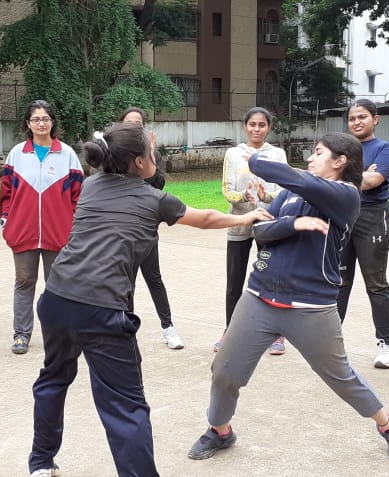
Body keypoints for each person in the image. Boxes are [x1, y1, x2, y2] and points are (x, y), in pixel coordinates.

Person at [29, 122, 271, 477]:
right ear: (139, 162)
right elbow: (203, 218)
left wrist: (139, 147)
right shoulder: (153, 200)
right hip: (102, 311)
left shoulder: (92, 185)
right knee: (125, 407)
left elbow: (128, 183)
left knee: (53, 379)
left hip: (57, 299)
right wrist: (248, 215)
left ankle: (39, 464)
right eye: (151, 151)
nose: (156, 155)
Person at [188, 132, 389, 465]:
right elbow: (260, 231)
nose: (310, 158)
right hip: (259, 297)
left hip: (311, 306)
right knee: (224, 370)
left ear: (340, 162)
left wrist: (255, 160)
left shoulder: (346, 195)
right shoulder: (293, 197)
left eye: (318, 153)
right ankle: (219, 431)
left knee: (341, 377)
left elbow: (294, 178)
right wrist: (295, 223)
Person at [0, 99, 83, 355]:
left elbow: (79, 197)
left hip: (59, 235)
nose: (41, 123)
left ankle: (59, 334)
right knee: (24, 281)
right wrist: (7, 223)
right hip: (23, 233)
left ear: (53, 122)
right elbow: (5, 194)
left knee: (58, 285)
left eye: (45, 119)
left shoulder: (67, 154)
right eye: (36, 119)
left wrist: (74, 229)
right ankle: (21, 334)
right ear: (28, 124)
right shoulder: (17, 154)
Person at [337, 99, 389, 369]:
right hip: (340, 215)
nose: (356, 122)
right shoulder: (339, 148)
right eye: (352, 118)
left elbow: (373, 182)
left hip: (372, 216)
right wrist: (360, 176)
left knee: (375, 283)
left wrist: (345, 177)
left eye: (362, 117)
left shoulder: (384, 149)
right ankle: (330, 341)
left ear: (376, 119)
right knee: (337, 281)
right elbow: (324, 176)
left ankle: (387, 344)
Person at [219, 107, 288, 354]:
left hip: (269, 222)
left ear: (269, 127)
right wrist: (243, 196)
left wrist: (264, 195)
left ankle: (277, 335)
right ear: (244, 126)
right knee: (234, 280)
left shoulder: (278, 155)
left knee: (272, 278)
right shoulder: (233, 153)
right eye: (252, 125)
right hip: (239, 222)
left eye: (261, 125)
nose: (256, 129)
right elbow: (226, 190)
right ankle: (230, 330)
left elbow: (284, 189)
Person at [119, 107, 184, 349]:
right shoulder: (115, 156)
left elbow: (157, 184)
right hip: (122, 230)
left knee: (154, 279)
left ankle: (168, 328)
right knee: (127, 283)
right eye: (129, 122)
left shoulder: (152, 156)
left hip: (146, 230)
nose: (134, 126)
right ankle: (126, 330)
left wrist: (152, 154)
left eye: (139, 123)